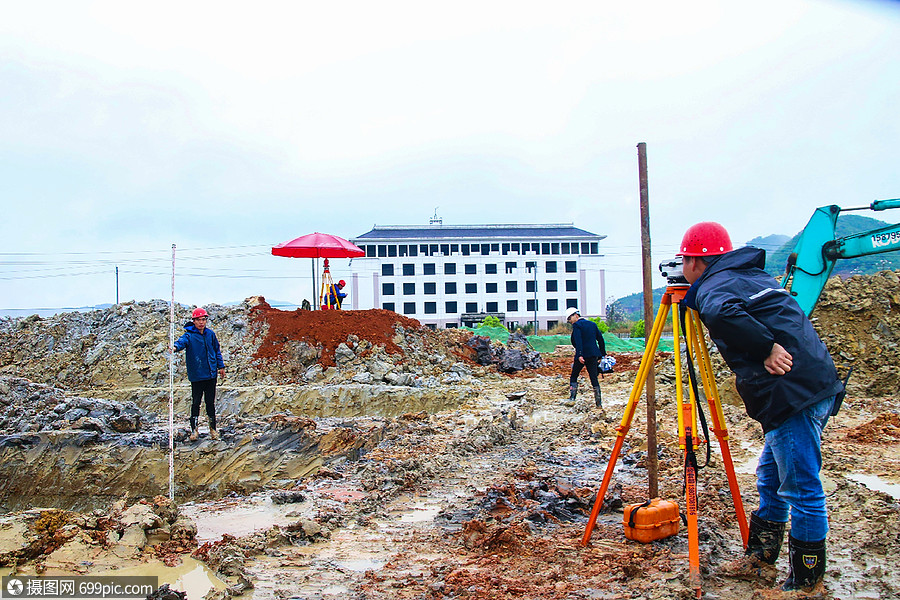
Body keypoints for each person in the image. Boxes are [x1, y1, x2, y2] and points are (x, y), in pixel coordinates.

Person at [679, 221, 843, 592]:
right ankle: (760, 557)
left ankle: (805, 584)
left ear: (695, 262)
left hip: (793, 394)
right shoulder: (749, 276)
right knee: (771, 477)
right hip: (808, 386)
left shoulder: (716, 286)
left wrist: (765, 348)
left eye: (684, 262)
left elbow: (722, 314)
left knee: (801, 488)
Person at [173, 307, 226, 441]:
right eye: (198, 320)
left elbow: (216, 351)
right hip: (197, 375)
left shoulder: (210, 334)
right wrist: (174, 347)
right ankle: (194, 430)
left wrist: (221, 366)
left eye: (203, 319)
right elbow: (181, 343)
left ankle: (213, 430)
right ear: (194, 321)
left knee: (210, 403)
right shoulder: (189, 335)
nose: (201, 322)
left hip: (211, 374)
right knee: (196, 402)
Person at [565, 306, 607, 408]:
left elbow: (578, 340)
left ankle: (572, 398)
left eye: (570, 319)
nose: (570, 322)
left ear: (576, 315)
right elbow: (600, 339)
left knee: (574, 375)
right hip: (593, 355)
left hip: (582, 355)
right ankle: (598, 403)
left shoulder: (577, 325)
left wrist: (579, 354)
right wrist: (602, 353)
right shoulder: (592, 324)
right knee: (594, 379)